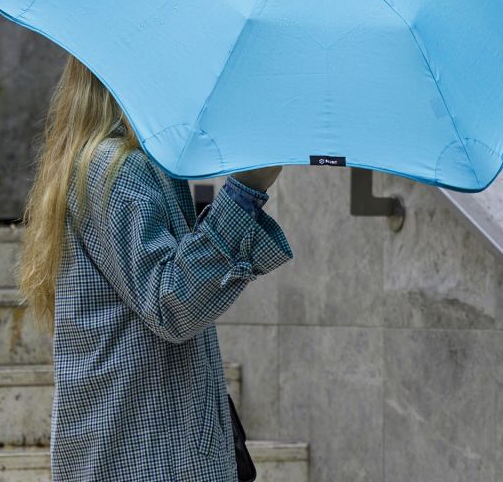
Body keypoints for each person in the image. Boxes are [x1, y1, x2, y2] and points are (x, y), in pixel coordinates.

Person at [15, 53, 294, 481]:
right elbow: (172, 303)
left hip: (130, 444)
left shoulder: (105, 165)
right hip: (144, 452)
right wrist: (245, 192)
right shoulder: (117, 171)